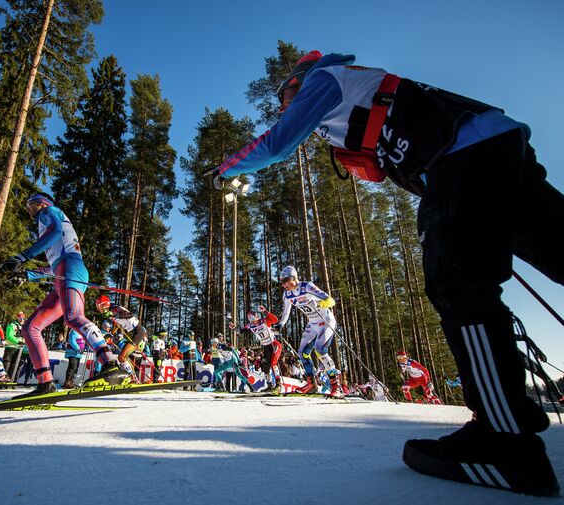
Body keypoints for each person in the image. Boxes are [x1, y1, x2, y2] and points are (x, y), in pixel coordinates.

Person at [209, 49, 561, 495]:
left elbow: (278, 142)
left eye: (285, 96)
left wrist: (226, 169)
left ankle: (505, 438)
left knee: (457, 285)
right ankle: (502, 426)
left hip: (464, 153)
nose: (284, 105)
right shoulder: (349, 97)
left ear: (299, 81)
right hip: (486, 144)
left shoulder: (326, 80)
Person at [0, 192, 128, 395]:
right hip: (63, 271)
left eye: (29, 204)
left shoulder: (48, 212)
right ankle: (45, 383)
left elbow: (55, 231)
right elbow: (51, 266)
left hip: (70, 267)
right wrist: (27, 275)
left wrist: (23, 256)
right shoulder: (47, 223)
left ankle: (110, 364)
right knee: (30, 328)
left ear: (40, 204)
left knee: (74, 317)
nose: (27, 209)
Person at [274, 266, 342, 398]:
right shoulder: (287, 294)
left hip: (326, 321)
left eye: (286, 281)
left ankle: (336, 385)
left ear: (294, 278)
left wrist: (317, 304)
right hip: (313, 324)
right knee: (302, 353)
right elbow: (286, 311)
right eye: (282, 282)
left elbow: (331, 301)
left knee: (320, 350)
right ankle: (311, 384)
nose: (284, 285)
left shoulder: (307, 287)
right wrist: (280, 325)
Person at [94, 295, 148, 382]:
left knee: (121, 357)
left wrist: (114, 314)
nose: (97, 308)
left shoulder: (114, 308)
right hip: (133, 333)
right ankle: (133, 377)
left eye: (98, 306)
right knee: (124, 357)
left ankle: (133, 378)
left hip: (138, 332)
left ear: (104, 305)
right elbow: (116, 324)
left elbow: (125, 314)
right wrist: (111, 334)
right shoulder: (110, 313)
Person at [229, 306, 283, 393]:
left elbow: (275, 320)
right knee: (265, 367)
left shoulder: (264, 321)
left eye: (255, 316)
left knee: (273, 363)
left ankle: (278, 384)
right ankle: (269, 385)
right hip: (266, 347)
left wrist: (265, 311)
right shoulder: (250, 325)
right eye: (251, 318)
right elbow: (241, 331)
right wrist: (234, 328)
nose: (254, 319)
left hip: (274, 344)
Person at [3, 312, 26, 381]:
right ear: (17, 318)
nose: (21, 319)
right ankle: (4, 380)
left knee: (15, 365)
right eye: (20, 318)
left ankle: (11, 380)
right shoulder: (12, 325)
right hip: (10, 347)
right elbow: (9, 336)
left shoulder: (24, 327)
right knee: (7, 364)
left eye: (22, 318)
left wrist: (24, 342)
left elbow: (24, 337)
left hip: (19, 348)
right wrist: (18, 341)